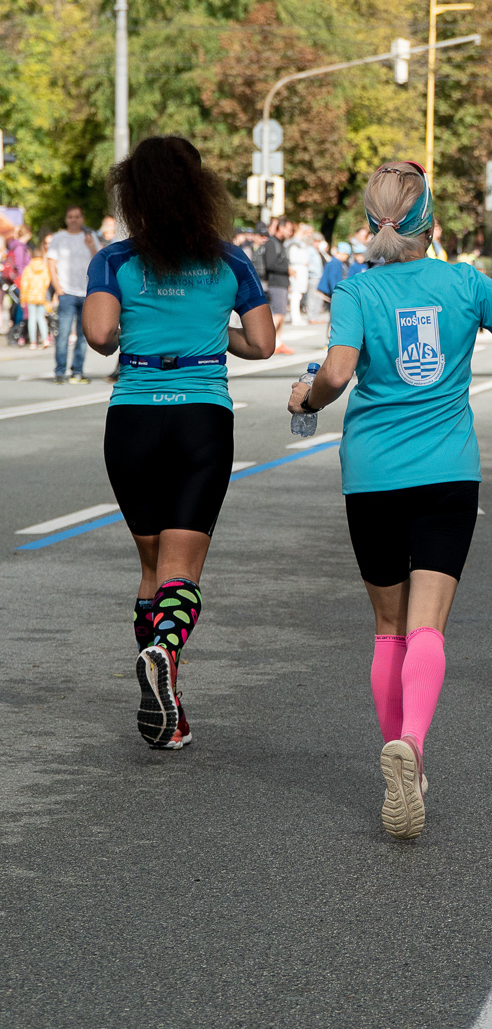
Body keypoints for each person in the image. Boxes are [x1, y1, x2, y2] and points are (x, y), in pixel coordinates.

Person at [289, 164, 492, 836]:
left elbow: (337, 373)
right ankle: (412, 742)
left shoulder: (356, 290)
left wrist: (307, 399)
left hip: (372, 475)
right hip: (447, 472)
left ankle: (405, 760)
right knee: (428, 627)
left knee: (388, 628)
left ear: (370, 224)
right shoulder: (465, 283)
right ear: (431, 224)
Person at [82, 137, 276, 750]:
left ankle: (169, 713)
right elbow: (262, 344)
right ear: (200, 190)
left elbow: (100, 336)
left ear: (133, 195)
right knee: (180, 569)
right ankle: (165, 654)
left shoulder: (113, 260)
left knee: (151, 567)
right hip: (202, 420)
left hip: (134, 420)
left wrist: (140, 323)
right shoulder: (231, 260)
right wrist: (211, 331)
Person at [46, 205, 99, 383]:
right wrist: (58, 288)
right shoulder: (59, 238)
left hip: (86, 292)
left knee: (83, 335)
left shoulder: (90, 236)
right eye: (70, 217)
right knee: (63, 333)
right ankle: (60, 371)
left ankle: (78, 371)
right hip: (67, 292)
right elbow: (51, 263)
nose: (74, 220)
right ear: (66, 219)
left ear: (82, 218)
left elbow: (99, 260)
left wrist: (91, 247)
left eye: (77, 216)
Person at [260, 217, 293, 352]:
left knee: (282, 314)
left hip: (282, 283)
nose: (290, 232)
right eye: (288, 229)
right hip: (276, 283)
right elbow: (270, 264)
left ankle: (277, 342)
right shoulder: (271, 243)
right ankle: (265, 340)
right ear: (281, 228)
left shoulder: (280, 243)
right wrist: (287, 270)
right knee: (278, 314)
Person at [19, 237, 54, 348]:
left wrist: (23, 299)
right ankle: (45, 339)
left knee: (32, 319)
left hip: (30, 297)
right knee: (41, 318)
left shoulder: (28, 269)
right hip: (41, 297)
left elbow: (24, 285)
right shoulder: (44, 267)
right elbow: (47, 281)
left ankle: (33, 342)